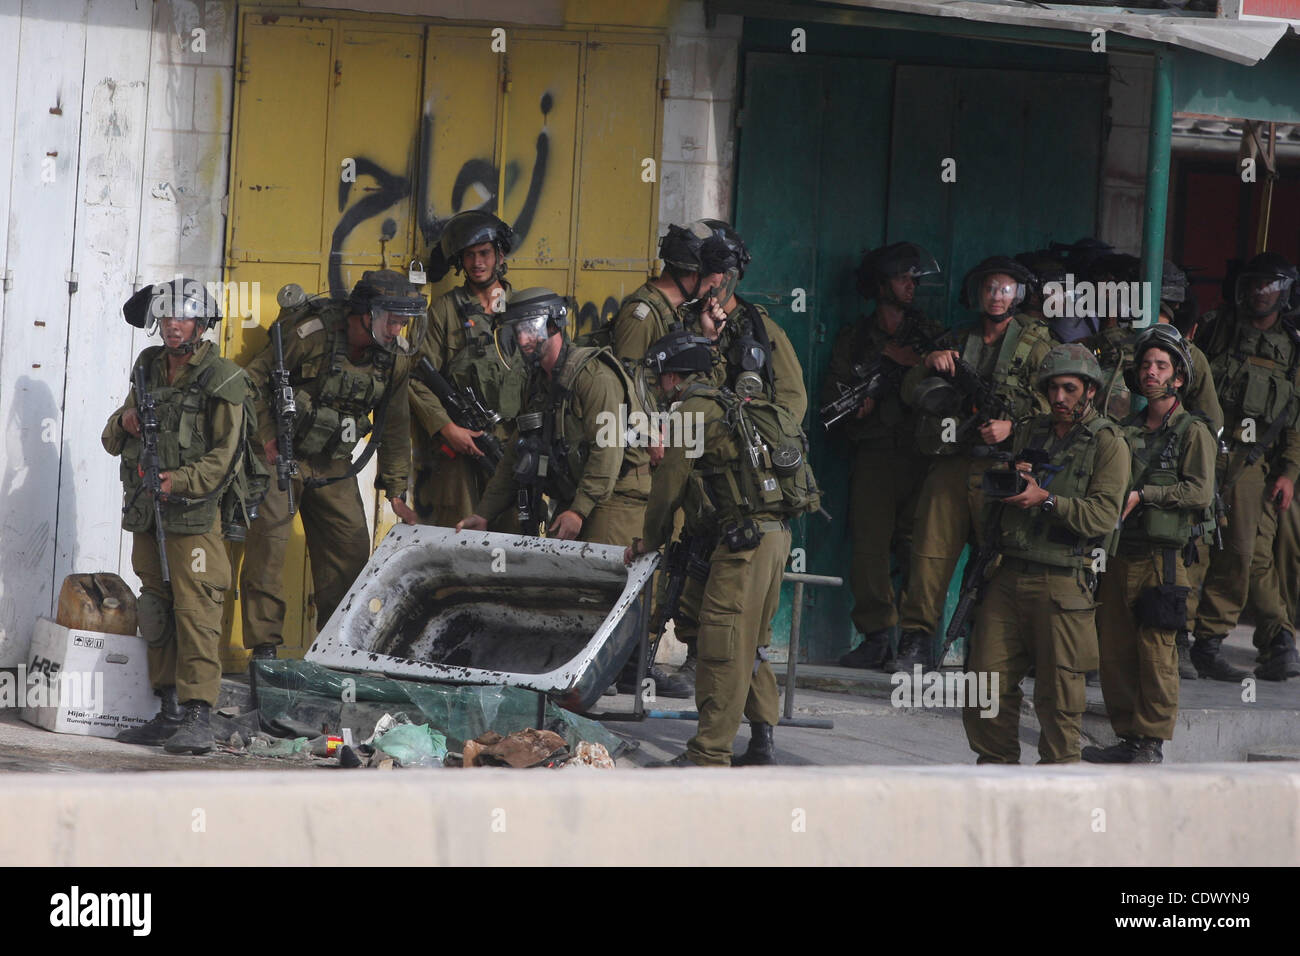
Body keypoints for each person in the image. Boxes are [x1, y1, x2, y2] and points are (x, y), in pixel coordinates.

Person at [625, 331, 803, 766]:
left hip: (744, 544)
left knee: (723, 643)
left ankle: (708, 754)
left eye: (661, 378)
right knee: (751, 643)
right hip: (772, 536)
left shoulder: (692, 412)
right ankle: (761, 740)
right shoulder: (725, 405)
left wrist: (650, 540)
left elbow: (668, 488)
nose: (659, 387)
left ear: (673, 378)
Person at [103, 279, 257, 754]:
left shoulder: (224, 378)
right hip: (149, 513)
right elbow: (112, 438)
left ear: (201, 323)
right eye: (167, 315)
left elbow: (223, 459)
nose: (173, 324)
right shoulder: (148, 367)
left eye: (184, 316)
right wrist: (125, 422)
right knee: (157, 607)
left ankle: (198, 714)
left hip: (193, 517)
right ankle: (167, 711)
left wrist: (177, 481)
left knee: (196, 612)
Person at [239, 270, 423, 659]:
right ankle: (265, 652)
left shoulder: (394, 360)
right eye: (391, 319)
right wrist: (267, 437)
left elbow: (395, 424)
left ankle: (337, 652)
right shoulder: (310, 335)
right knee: (267, 552)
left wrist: (396, 490)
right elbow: (251, 383)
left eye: (402, 321)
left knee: (350, 553)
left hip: (333, 462)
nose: (397, 329)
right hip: (282, 454)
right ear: (364, 314)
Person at [961, 344, 1129, 764]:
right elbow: (993, 497)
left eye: (1069, 388)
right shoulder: (1029, 430)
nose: (1059, 398)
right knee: (985, 684)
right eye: (1052, 388)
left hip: (1063, 580)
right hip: (1007, 573)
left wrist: (1045, 500)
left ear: (1089, 390)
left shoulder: (1108, 442)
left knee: (1059, 696)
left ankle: (1058, 782)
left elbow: (1103, 517)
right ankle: (994, 771)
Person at [892, 256, 1054, 671]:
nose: (997, 297)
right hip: (952, 464)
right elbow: (912, 394)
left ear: (1018, 294)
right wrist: (929, 363)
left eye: (1005, 289)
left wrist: (1011, 428)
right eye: (989, 288)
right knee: (929, 553)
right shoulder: (957, 339)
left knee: (993, 563)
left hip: (1002, 468)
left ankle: (987, 647)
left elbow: (1057, 409)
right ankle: (916, 640)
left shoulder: (1038, 346)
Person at [1085, 327, 1214, 763]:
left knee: (1157, 650)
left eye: (1161, 366)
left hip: (1164, 559)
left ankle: (1151, 741)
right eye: (1145, 366)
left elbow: (1199, 492)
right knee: (1115, 649)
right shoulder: (1124, 430)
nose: (1151, 373)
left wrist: (1148, 495)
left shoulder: (1192, 430)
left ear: (1178, 377)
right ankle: (1127, 737)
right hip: (1121, 553)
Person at [824, 242, 946, 670]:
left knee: (919, 547)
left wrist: (912, 365)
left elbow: (948, 391)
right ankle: (876, 636)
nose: (911, 286)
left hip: (922, 452)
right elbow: (835, 393)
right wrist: (859, 404)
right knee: (870, 548)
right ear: (880, 285)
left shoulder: (929, 335)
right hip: (875, 451)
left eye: (914, 279)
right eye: (902, 278)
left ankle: (917, 641)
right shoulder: (856, 338)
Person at [1191, 252, 1300, 681]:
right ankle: (1178, 636)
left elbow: (1294, 419)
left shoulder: (1292, 348)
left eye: (1269, 286)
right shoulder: (1217, 329)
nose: (1260, 293)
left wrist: (1289, 473)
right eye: (1254, 285)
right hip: (1203, 449)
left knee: (1239, 551)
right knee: (1194, 545)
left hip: (1252, 462)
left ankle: (1211, 641)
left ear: (1284, 293)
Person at [409, 211, 525, 528]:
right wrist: (447, 427)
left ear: (500, 254)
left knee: (512, 532)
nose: (477, 263)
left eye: (484, 253)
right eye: (470, 255)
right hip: (461, 448)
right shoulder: (446, 310)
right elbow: (416, 378)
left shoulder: (520, 309)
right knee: (459, 534)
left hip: (512, 445)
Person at [612, 221, 729, 369]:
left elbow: (706, 381)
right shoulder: (642, 318)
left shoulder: (674, 311)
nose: (719, 281)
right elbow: (627, 384)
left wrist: (710, 337)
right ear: (694, 274)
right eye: (716, 271)